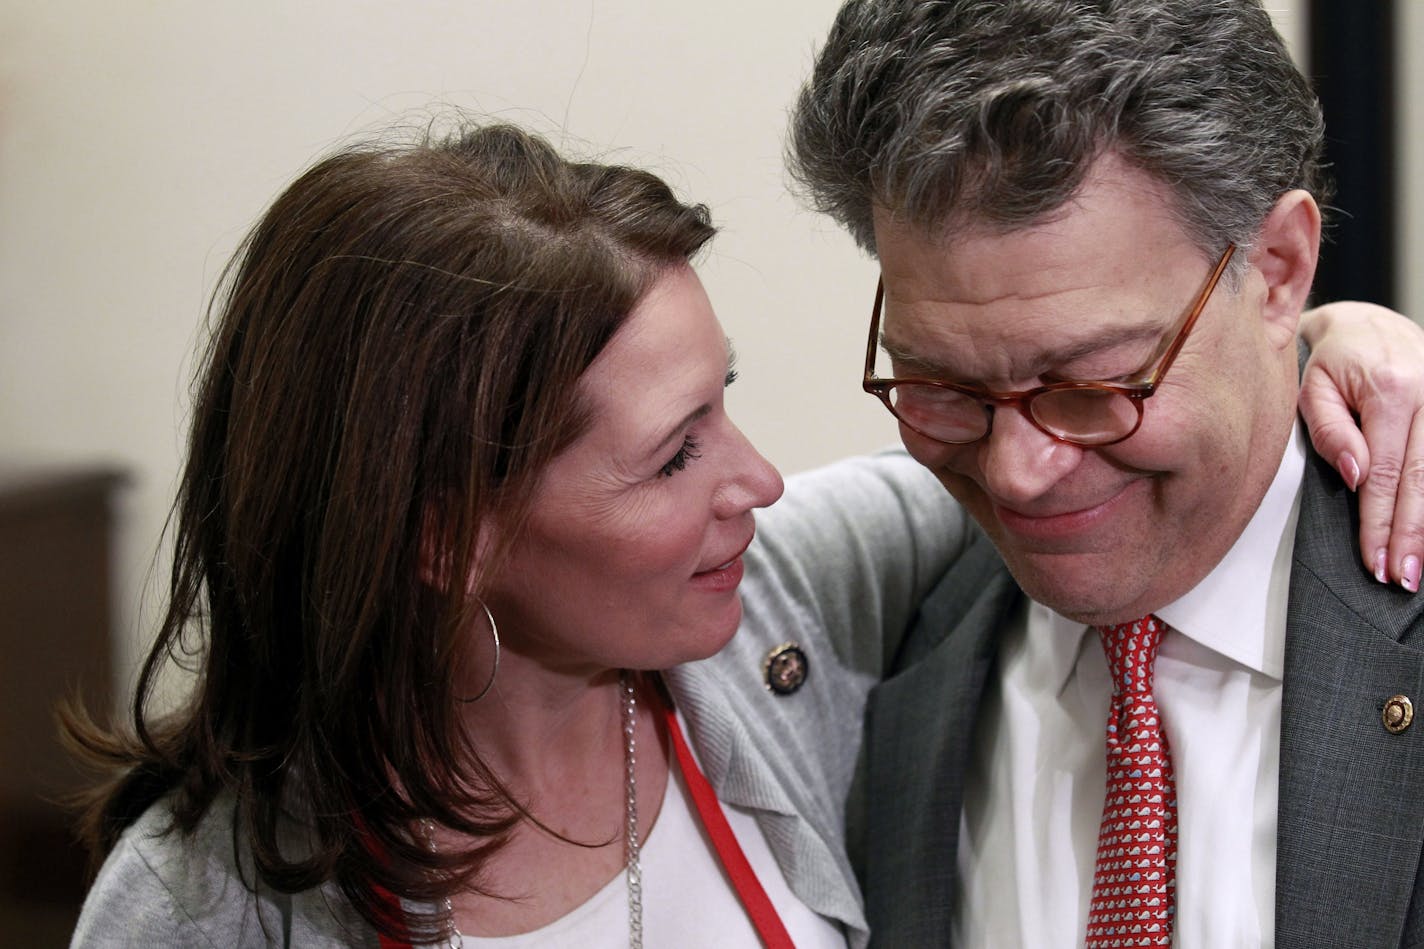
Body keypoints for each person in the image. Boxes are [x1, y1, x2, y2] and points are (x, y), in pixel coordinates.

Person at [66, 118, 1422, 948]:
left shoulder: (791, 603)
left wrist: (1309, 336)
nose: (762, 480)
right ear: (443, 539)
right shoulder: (200, 909)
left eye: (727, 402)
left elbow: (1074, 467)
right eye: (674, 456)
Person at [786, 0, 1424, 945]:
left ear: (1280, 270)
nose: (1018, 473)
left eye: (1092, 383)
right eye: (942, 383)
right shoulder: (881, 650)